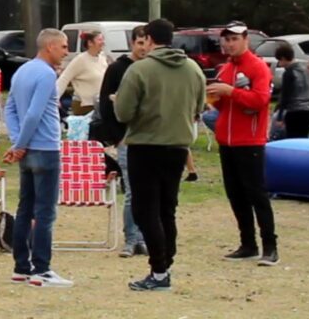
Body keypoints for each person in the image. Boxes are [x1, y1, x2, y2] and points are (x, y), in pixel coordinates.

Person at [114, 18, 206, 292]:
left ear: (150, 39)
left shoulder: (140, 69)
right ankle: (166, 262)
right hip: (178, 147)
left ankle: (159, 270)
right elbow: (199, 106)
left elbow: (123, 112)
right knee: (167, 208)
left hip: (145, 146)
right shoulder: (193, 69)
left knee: (145, 210)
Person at [3, 28, 72, 288]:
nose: (66, 52)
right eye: (63, 46)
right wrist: (20, 144)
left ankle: (21, 267)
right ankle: (42, 269)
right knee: (44, 212)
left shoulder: (22, 71)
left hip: (28, 149)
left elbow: (10, 109)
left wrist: (18, 143)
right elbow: (34, 113)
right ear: (50, 46)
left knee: (25, 208)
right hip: (45, 148)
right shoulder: (46, 73)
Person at [207, 21, 278, 266]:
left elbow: (260, 100)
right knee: (235, 195)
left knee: (256, 194)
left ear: (246, 40)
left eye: (234, 39)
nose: (229, 44)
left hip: (249, 141)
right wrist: (214, 97)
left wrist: (231, 92)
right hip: (227, 141)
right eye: (226, 40)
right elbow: (221, 103)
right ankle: (248, 243)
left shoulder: (258, 67)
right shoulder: (225, 68)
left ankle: (270, 246)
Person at [96, 24, 148, 258]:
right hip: (126, 138)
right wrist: (117, 137)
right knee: (132, 191)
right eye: (140, 43)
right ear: (132, 43)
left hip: (150, 138)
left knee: (147, 192)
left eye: (147, 43)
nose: (144, 48)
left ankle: (144, 237)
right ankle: (131, 238)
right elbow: (105, 105)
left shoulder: (152, 68)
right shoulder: (117, 69)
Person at [56, 29, 109, 115]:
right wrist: (55, 99)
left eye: (103, 39)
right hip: (84, 106)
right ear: (90, 43)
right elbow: (64, 78)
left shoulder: (102, 58)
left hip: (99, 103)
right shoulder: (80, 60)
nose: (103, 42)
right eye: (99, 40)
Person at [271, 44, 309, 140]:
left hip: (295, 111)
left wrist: (280, 117)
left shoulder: (289, 72)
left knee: (292, 139)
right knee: (303, 139)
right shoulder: (305, 70)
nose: (279, 64)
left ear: (283, 58)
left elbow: (285, 96)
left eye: (279, 60)